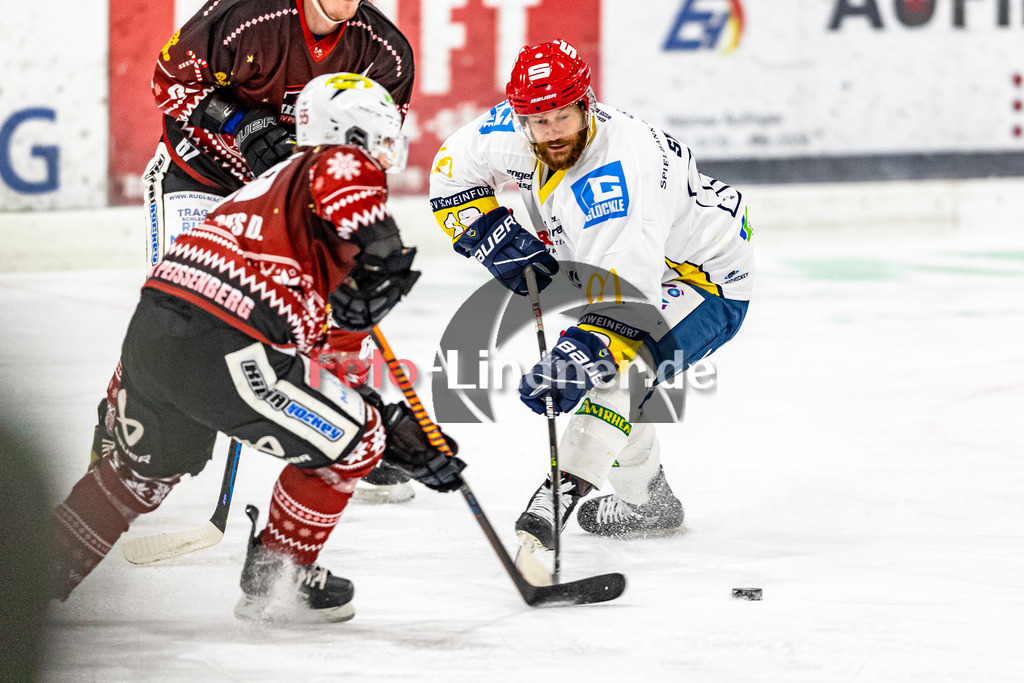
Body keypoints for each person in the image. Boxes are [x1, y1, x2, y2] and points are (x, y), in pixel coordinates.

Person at [54, 74, 466, 624]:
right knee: (358, 438)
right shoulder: (335, 167)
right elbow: (345, 173)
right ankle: (277, 578)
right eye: (381, 135)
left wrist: (395, 433)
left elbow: (324, 366)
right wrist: (380, 245)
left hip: (153, 333)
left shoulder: (276, 196)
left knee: (139, 477)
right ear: (351, 134)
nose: (387, 151)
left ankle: (28, 579)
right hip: (226, 342)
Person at [428, 40, 753, 552]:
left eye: (563, 116)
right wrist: (489, 233)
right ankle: (648, 502)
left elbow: (631, 303)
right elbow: (450, 173)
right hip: (606, 269)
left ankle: (554, 501)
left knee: (618, 370)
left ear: (587, 103)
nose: (552, 131)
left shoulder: (619, 178)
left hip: (702, 280)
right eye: (538, 120)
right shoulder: (510, 130)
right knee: (606, 368)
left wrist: (583, 355)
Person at [90, 0, 418, 500]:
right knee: (183, 311)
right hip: (201, 174)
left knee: (338, 308)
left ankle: (347, 439)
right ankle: (121, 428)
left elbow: (373, 148)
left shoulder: (384, 52)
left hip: (289, 196)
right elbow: (169, 82)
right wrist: (238, 121)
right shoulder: (248, 16)